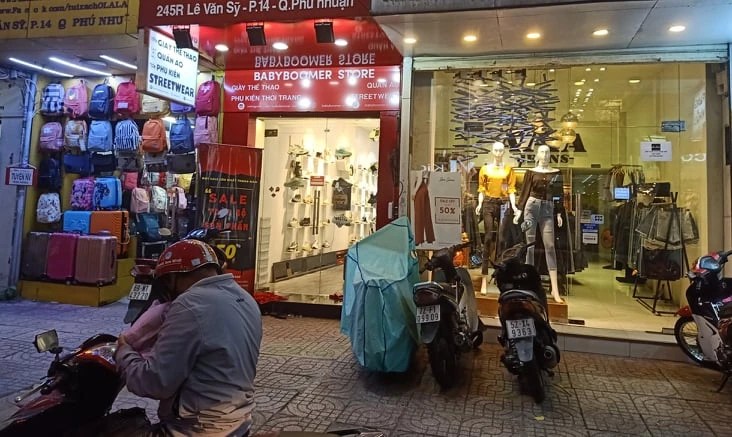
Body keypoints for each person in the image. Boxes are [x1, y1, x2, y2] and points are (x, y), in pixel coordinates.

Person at [115, 239, 263, 437]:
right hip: (239, 423)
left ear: (173, 277)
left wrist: (124, 352)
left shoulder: (189, 305)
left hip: (196, 430)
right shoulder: (245, 298)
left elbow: (154, 383)